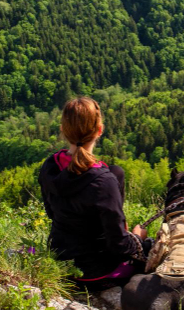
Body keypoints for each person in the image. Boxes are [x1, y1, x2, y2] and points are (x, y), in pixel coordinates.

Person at [38, 96, 150, 286]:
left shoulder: (50, 167)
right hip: (94, 272)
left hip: (59, 261)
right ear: (100, 130)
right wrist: (138, 238)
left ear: (63, 130)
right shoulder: (104, 182)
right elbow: (119, 246)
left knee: (117, 171)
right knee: (156, 251)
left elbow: (51, 213)